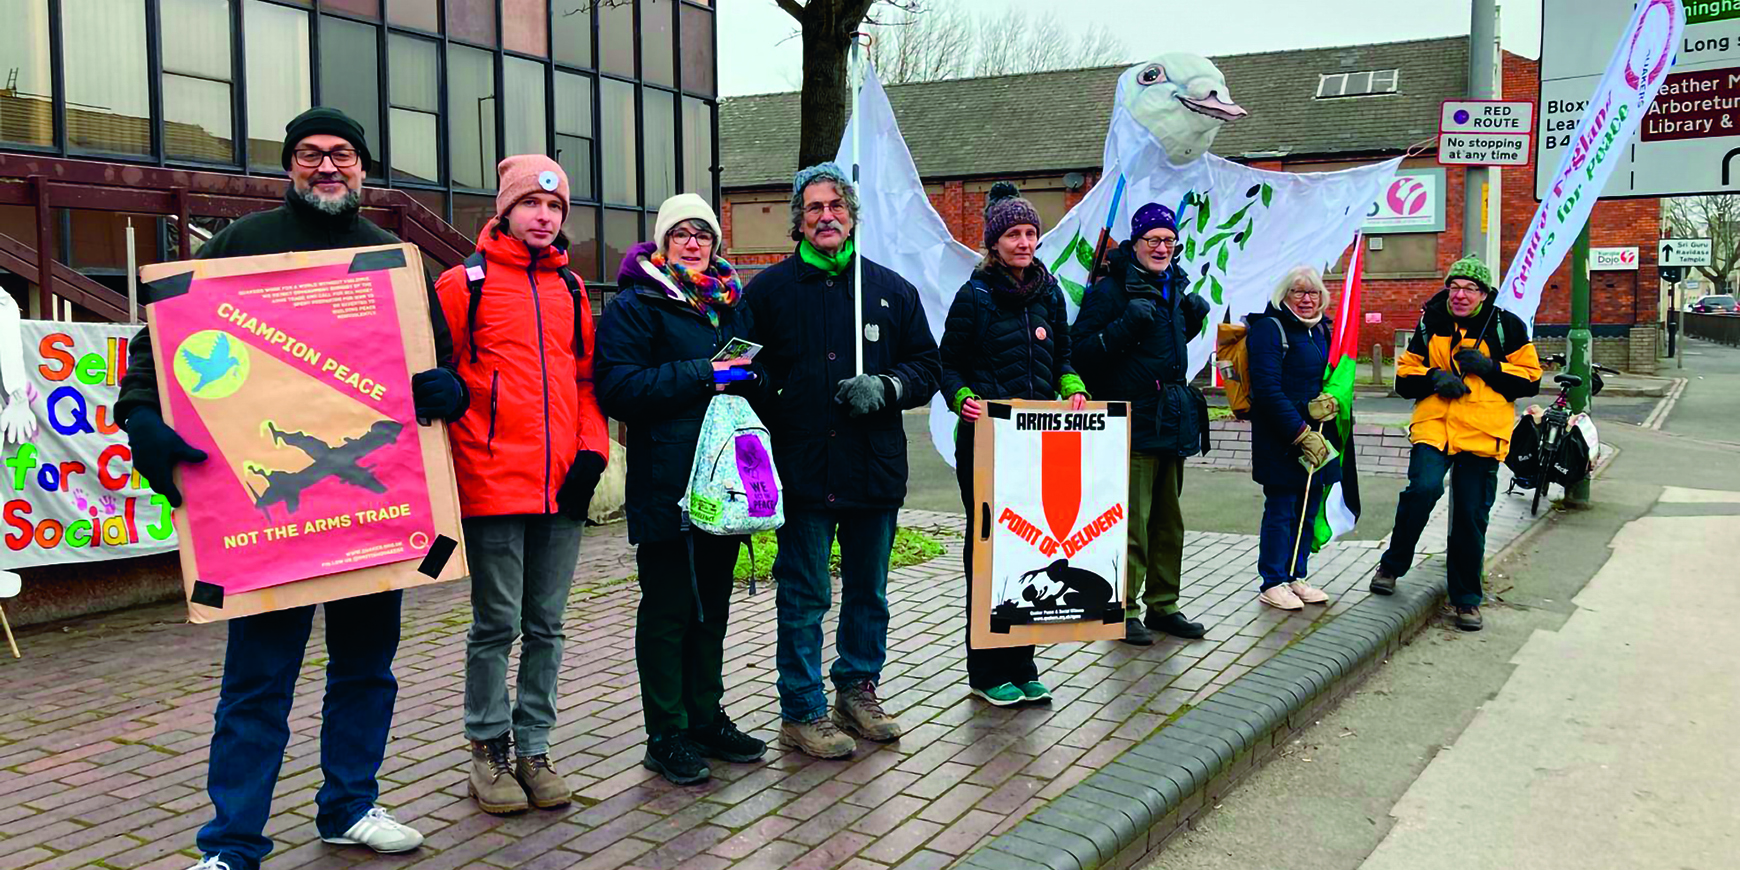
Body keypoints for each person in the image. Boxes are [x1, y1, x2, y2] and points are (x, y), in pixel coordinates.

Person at [115, 108, 458, 870]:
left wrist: (447, 389)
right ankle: (232, 843)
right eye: (309, 154)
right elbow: (155, 351)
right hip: (267, 523)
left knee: (365, 671)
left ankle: (350, 807)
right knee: (257, 684)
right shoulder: (239, 247)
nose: (326, 166)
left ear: (363, 169)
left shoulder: (391, 261)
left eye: (341, 154)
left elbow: (435, 359)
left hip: (370, 511)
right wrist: (141, 419)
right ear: (289, 167)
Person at [744, 162, 941, 758]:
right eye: (814, 208)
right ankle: (802, 708)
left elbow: (927, 367)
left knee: (867, 591)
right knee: (803, 594)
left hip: (871, 468)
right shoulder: (768, 292)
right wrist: (779, 393)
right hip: (801, 468)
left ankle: (857, 689)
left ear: (852, 216)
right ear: (798, 221)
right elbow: (743, 369)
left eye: (836, 206)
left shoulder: (890, 289)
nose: (826, 216)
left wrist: (888, 386)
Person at [434, 155, 612, 813]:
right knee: (496, 624)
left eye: (555, 206)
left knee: (547, 625)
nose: (544, 216)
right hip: (491, 483)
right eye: (532, 204)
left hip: (562, 486)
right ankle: (488, 750)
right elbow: (437, 378)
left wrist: (592, 452)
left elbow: (586, 381)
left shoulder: (571, 288)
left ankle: (534, 749)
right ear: (505, 211)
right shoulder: (463, 284)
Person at [594, 193, 769, 785]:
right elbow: (619, 388)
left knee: (711, 608)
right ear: (663, 242)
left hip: (725, 481)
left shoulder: (729, 302)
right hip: (667, 480)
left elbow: (755, 375)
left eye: (703, 234)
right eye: (681, 234)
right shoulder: (636, 303)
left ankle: (705, 716)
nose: (693, 243)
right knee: (669, 610)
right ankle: (665, 732)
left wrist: (750, 375)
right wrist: (705, 374)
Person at [939, 183, 1088, 705]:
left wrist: (1072, 387)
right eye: (1013, 235)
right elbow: (947, 365)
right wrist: (962, 398)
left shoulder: (1050, 293)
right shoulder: (975, 296)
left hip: (1038, 442)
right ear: (994, 242)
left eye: (1030, 233)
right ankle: (986, 672)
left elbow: (1064, 356)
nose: (1024, 243)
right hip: (986, 442)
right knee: (989, 553)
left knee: (1032, 550)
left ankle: (1023, 663)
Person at [1372, 255, 1541, 631]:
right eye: (1455, 286)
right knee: (1423, 489)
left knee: (1470, 515)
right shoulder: (1431, 321)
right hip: (1435, 425)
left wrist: (1490, 368)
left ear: (1484, 294)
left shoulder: (1506, 326)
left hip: (1482, 432)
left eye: (1470, 288)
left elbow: (1531, 381)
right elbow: (1404, 378)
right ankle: (1392, 566)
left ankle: (1466, 599)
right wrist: (1434, 378)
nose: (1460, 294)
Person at [1071, 203, 1213, 645]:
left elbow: (1162, 349)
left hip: (1171, 419)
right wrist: (1126, 324)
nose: (1162, 248)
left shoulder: (1174, 286)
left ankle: (1163, 605)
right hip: (1131, 423)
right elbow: (1080, 353)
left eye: (1169, 240)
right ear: (1135, 244)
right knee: (1131, 523)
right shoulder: (1111, 291)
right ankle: (1124, 608)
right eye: (1153, 240)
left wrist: (1190, 322)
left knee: (1169, 524)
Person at [1246, 266, 1339, 610]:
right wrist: (1301, 432)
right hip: (1281, 437)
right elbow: (1267, 390)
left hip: (1317, 434)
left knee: (1308, 507)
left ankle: (1296, 575)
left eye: (1313, 292)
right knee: (1282, 509)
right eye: (1298, 292)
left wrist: (1330, 404)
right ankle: (1272, 581)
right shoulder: (1269, 329)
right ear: (1283, 295)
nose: (1306, 299)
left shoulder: (1321, 330)